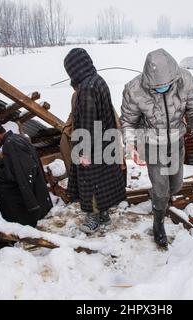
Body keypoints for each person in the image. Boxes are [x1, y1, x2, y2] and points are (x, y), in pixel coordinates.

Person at [120, 48, 193, 248]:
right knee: (162, 190)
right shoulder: (134, 89)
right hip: (152, 144)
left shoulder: (185, 80)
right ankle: (158, 221)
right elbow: (128, 122)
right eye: (157, 87)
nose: (161, 89)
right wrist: (132, 146)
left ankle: (160, 198)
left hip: (176, 140)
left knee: (176, 186)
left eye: (165, 85)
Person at [63, 48, 126, 234]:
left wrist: (82, 152)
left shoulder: (86, 89)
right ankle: (104, 214)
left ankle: (93, 217)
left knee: (90, 182)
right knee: (103, 181)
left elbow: (87, 123)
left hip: (92, 144)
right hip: (105, 141)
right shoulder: (98, 81)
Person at [0, 120, 52, 227]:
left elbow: (24, 173)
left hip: (33, 203)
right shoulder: (18, 139)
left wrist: (32, 205)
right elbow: (17, 162)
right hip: (39, 196)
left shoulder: (11, 144)